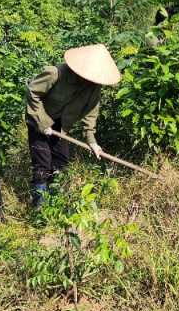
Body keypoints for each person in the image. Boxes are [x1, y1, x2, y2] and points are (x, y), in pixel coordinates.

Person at [25, 43, 121, 209]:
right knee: (43, 164)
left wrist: (92, 142)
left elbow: (91, 113)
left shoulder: (94, 88)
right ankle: (39, 210)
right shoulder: (56, 73)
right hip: (39, 119)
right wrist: (43, 122)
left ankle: (55, 206)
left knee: (61, 163)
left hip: (62, 126)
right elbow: (32, 92)